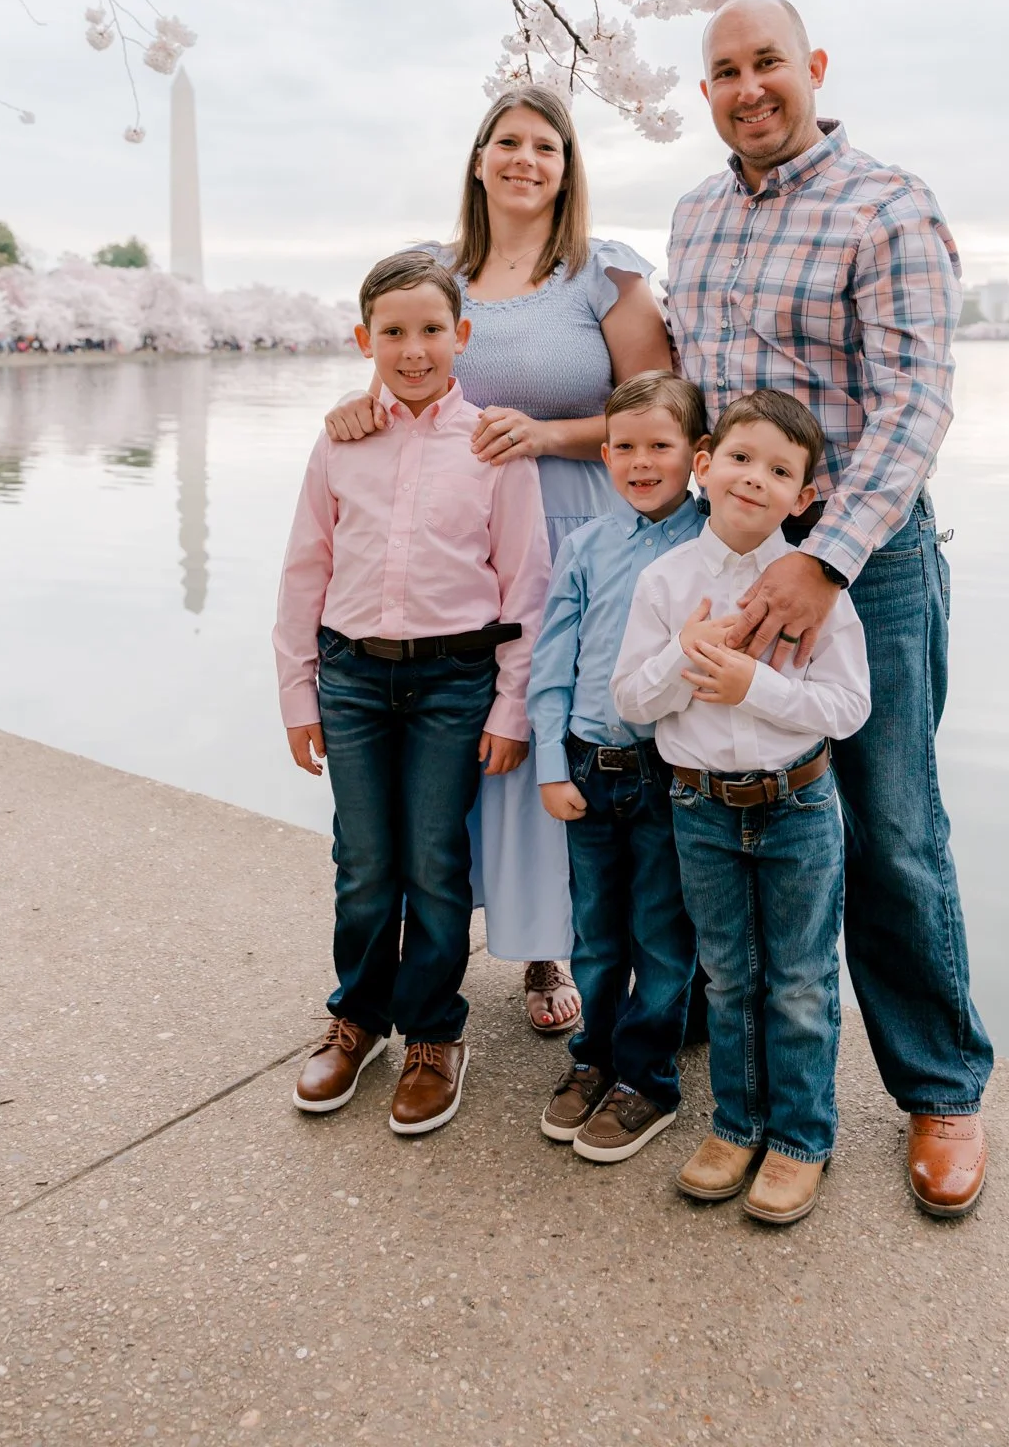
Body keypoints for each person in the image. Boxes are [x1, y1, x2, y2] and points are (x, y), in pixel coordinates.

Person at [665, 0, 996, 1217]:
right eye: (723, 71)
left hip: (869, 562)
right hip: (730, 558)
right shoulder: (694, 216)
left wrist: (826, 558)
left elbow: (916, 401)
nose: (748, 88)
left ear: (812, 67)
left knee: (890, 824)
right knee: (725, 793)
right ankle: (731, 1058)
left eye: (767, 64)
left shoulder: (886, 204)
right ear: (705, 93)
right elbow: (687, 397)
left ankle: (941, 1085)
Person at [324, 87, 672, 1032]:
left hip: (579, 526)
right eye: (507, 142)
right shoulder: (433, 273)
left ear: (569, 168)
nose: (525, 159)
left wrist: (549, 434)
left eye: (546, 147)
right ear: (478, 159)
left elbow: (661, 414)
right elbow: (400, 380)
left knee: (558, 732)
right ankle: (467, 947)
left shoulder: (606, 276)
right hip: (460, 543)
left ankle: (556, 949)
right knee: (476, 742)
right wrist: (356, 411)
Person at [274, 250, 550, 1135]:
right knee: (362, 864)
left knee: (435, 864)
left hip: (452, 681)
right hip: (352, 676)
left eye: (432, 329)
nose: (414, 348)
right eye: (392, 332)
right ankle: (356, 1019)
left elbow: (526, 587)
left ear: (461, 336)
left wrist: (512, 706)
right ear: (364, 340)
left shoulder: (494, 445)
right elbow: (304, 568)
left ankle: (433, 1033)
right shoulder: (342, 439)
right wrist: (298, 694)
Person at [612, 389, 870, 1225]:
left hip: (795, 806)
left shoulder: (816, 591)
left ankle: (799, 1137)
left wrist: (750, 684)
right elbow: (629, 700)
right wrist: (681, 660)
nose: (754, 478)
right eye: (739, 458)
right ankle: (735, 1124)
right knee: (726, 976)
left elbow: (847, 708)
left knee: (796, 979)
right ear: (703, 466)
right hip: (700, 808)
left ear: (804, 498)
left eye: (779, 470)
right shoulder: (665, 579)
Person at [527, 370, 707, 1163]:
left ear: (696, 454)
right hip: (586, 764)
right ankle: (590, 1060)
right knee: (595, 934)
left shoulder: (711, 547)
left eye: (659, 446)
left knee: (662, 937)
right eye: (624, 447)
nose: (640, 462)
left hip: (668, 771)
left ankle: (647, 1081)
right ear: (603, 455)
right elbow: (551, 661)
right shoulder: (586, 544)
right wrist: (548, 763)